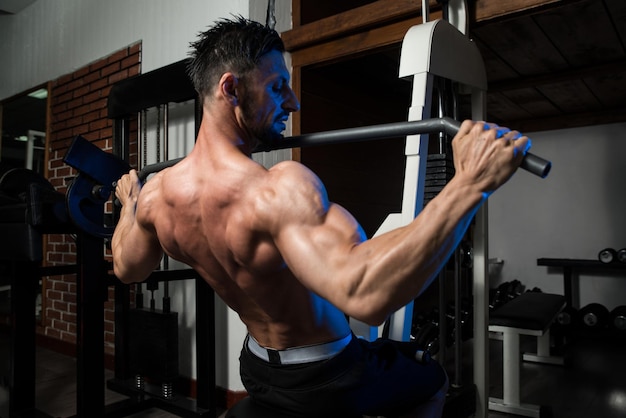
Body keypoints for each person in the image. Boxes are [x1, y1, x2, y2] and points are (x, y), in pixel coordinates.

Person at [112, 16, 530, 418]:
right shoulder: (275, 190)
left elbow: (128, 268)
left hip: (256, 368)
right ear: (231, 89)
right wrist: (470, 184)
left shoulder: (157, 196)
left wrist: (129, 208)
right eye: (278, 88)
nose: (292, 103)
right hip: (329, 376)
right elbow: (366, 297)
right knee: (434, 379)